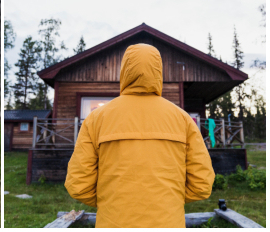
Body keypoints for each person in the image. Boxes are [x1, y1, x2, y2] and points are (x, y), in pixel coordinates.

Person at [65, 43, 215, 227]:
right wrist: (167, 201)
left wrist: (113, 202)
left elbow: (78, 185)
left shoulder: (96, 118)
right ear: (158, 71)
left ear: (125, 70)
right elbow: (202, 185)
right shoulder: (182, 119)